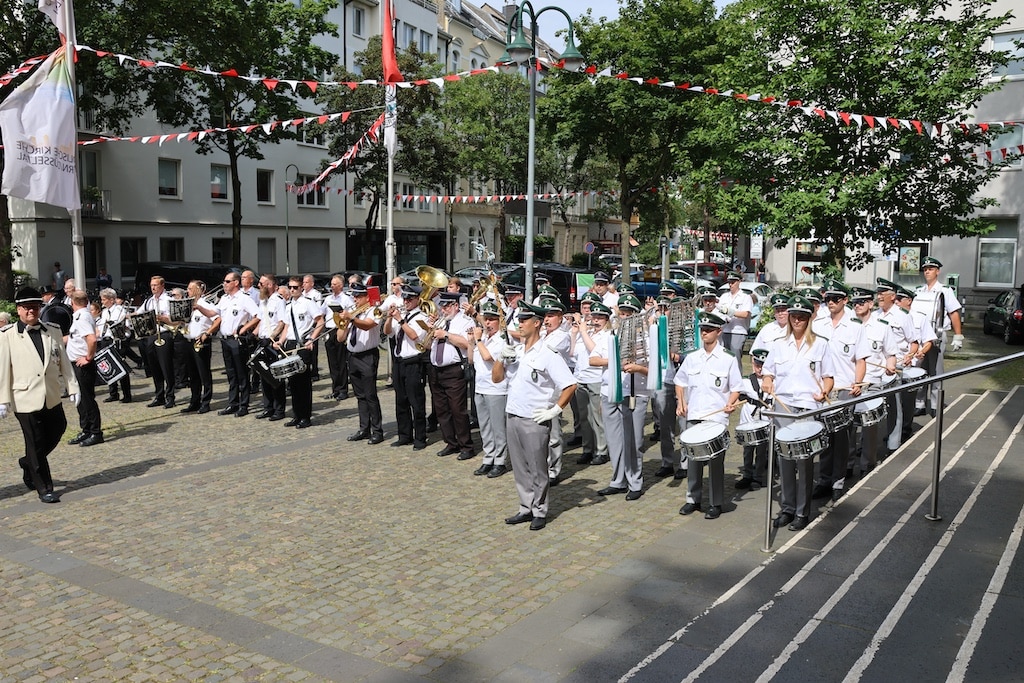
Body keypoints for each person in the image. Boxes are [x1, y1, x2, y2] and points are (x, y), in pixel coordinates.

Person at [493, 301, 577, 531]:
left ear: (537, 323)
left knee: (538, 468)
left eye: (524, 320)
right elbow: (497, 379)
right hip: (513, 415)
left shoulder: (548, 354)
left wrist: (555, 410)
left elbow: (569, 385)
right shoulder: (517, 351)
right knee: (520, 467)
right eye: (518, 320)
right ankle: (525, 506)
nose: (519, 324)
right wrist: (501, 358)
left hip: (535, 418)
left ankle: (540, 509)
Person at [761, 294, 835, 530]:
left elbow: (829, 378)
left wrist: (823, 391)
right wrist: (767, 381)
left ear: (809, 318)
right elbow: (768, 372)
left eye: (802, 317)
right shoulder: (778, 345)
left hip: (806, 407)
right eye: (794, 316)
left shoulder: (821, 344)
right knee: (785, 460)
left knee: (804, 461)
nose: (797, 321)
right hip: (783, 407)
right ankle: (787, 508)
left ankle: (802, 512)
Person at [0, 287, 80, 503]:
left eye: (35, 307)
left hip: (51, 394)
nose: (31, 312)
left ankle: (28, 462)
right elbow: (3, 369)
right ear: (18, 310)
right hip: (24, 397)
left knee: (58, 428)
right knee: (34, 440)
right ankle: (44, 487)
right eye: (27, 308)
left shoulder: (52, 330)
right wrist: (3, 400)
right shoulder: (7, 336)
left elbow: (63, 361)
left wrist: (73, 387)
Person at [675, 312, 741, 519]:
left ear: (719, 332)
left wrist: (730, 404)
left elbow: (736, 388)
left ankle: (715, 502)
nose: (704, 333)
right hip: (695, 415)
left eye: (709, 330)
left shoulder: (728, 359)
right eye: (702, 329)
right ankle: (692, 499)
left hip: (716, 419)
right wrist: (681, 401)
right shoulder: (693, 357)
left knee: (715, 463)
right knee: (693, 461)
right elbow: (680, 381)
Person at [597, 294, 651, 502]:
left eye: (629, 314)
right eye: (622, 313)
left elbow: (657, 371)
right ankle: (618, 479)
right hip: (614, 391)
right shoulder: (612, 336)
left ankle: (635, 481)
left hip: (636, 392)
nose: (625, 317)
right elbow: (595, 357)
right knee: (615, 439)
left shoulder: (646, 339)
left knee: (634, 440)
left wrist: (638, 368)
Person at [811, 278, 861, 501]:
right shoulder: (818, 324)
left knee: (841, 438)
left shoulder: (855, 326)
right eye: (828, 298)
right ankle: (823, 479)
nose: (830, 302)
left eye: (836, 298)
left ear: (845, 300)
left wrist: (858, 383)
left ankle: (838, 482)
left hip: (843, 387)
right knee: (823, 436)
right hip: (821, 389)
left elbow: (860, 359)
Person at [197, 271, 260, 416]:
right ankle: (233, 403)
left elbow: (257, 316)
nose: (224, 284)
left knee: (242, 373)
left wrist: (244, 328)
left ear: (235, 283)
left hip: (237, 340)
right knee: (231, 374)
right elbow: (213, 314)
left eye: (227, 281)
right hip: (225, 340)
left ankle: (243, 405)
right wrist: (199, 307)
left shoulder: (244, 299)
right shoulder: (224, 299)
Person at [850, 286, 897, 478]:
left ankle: (867, 463)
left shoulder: (882, 326)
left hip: (871, 382)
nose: (858, 306)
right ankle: (847, 463)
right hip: (849, 383)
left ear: (870, 304)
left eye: (862, 302)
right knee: (848, 427)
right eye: (855, 303)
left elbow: (891, 354)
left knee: (869, 426)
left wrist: (890, 366)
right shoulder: (847, 326)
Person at [910, 257, 963, 417]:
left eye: (931, 269)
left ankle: (935, 404)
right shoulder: (918, 291)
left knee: (936, 370)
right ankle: (919, 403)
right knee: (918, 369)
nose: (927, 271)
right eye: (925, 269)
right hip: (920, 336)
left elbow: (953, 312)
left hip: (937, 334)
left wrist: (958, 334)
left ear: (937, 271)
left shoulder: (945, 290)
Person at [873, 278, 922, 450]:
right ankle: (869, 444)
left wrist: (909, 355)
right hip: (878, 366)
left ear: (893, 296)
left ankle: (894, 442)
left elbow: (914, 342)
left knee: (896, 406)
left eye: (882, 293)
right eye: (878, 293)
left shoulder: (903, 316)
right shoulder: (874, 316)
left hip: (897, 366)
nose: (879, 296)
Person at [428, 291, 475, 459]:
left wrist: (446, 335)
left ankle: (466, 446)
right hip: (436, 369)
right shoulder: (441, 321)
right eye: (442, 306)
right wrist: (430, 329)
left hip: (454, 370)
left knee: (458, 410)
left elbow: (466, 343)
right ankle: (451, 442)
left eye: (446, 306)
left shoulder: (465, 321)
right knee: (442, 410)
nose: (443, 309)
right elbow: (427, 345)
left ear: (455, 306)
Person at [385, 284, 430, 449]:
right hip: (399, 362)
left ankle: (420, 438)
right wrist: (390, 317)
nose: (406, 302)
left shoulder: (422, 317)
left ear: (417, 299)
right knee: (401, 401)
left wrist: (400, 320)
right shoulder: (400, 315)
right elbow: (387, 332)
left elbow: (414, 336)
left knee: (416, 402)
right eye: (404, 298)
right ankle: (404, 435)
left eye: (409, 299)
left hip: (413, 362)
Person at [276, 276, 325, 428]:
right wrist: (281, 341)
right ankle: (297, 415)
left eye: (295, 287)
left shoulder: (308, 303)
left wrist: (312, 339)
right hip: (290, 345)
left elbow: (320, 321)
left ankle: (305, 417)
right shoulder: (289, 305)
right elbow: (286, 327)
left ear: (301, 288)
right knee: (292, 382)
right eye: (290, 287)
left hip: (303, 345)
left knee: (303, 383)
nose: (292, 290)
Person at [342, 282, 385, 444]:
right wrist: (344, 322)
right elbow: (340, 338)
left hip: (368, 356)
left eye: (358, 296)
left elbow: (367, 326)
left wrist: (351, 318)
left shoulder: (375, 310)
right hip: (353, 356)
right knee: (360, 396)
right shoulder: (355, 313)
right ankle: (364, 428)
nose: (355, 299)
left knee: (370, 395)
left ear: (367, 297)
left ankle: (377, 430)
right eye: (354, 296)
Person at [471, 301, 510, 477]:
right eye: (486, 320)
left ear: (499, 321)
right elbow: (472, 360)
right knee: (485, 426)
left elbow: (488, 357)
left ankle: (500, 460)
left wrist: (478, 340)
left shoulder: (502, 339)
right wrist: (472, 342)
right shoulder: (485, 339)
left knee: (498, 427)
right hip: (481, 386)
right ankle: (489, 457)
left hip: (496, 389)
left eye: (492, 320)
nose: (487, 323)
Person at [572, 301, 611, 468]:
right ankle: (587, 449)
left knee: (597, 417)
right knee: (584, 417)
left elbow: (595, 350)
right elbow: (573, 353)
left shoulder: (607, 335)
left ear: (606, 319)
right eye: (594, 317)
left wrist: (583, 332)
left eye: (600, 318)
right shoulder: (585, 332)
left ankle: (602, 450)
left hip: (596, 378)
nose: (595, 320)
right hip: (581, 377)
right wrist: (575, 334)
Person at [539, 296, 573, 485]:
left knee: (553, 434)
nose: (547, 320)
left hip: (554, 391)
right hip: (540, 389)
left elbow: (544, 353)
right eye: (545, 315)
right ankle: (542, 465)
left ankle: (554, 469)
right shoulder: (543, 334)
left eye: (551, 315)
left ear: (560, 317)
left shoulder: (562, 336)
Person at [65, 290, 104, 447]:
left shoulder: (82, 317)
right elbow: (75, 337)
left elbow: (92, 339)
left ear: (72, 303)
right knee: (80, 399)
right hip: (76, 363)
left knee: (87, 399)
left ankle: (96, 432)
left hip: (83, 365)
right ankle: (86, 430)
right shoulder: (80, 316)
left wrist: (88, 357)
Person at [137, 275, 176, 408]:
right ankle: (159, 395)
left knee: (166, 366)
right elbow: (139, 313)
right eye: (152, 285)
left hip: (165, 333)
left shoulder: (168, 299)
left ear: (162, 286)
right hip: (152, 334)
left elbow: (175, 318)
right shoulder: (149, 301)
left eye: (156, 285)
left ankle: (170, 396)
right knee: (154, 366)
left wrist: (164, 318)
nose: (153, 288)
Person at [180, 280, 216, 415]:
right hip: (188, 341)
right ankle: (194, 401)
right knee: (192, 374)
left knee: (203, 373)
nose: (187, 291)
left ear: (197, 290)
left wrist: (207, 333)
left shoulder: (205, 304)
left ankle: (206, 402)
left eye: (190, 288)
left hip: (200, 342)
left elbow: (217, 319)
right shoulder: (188, 304)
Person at [736, 348, 770, 490]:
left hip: (765, 417)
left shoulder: (772, 381)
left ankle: (758, 477)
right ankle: (747, 475)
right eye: (757, 365)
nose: (760, 368)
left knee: (762, 450)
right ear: (752, 362)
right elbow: (736, 392)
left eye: (763, 365)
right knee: (748, 448)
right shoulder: (746, 381)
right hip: (748, 417)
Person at [254, 273, 287, 421]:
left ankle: (279, 409)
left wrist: (271, 337)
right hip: (262, 341)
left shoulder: (278, 301)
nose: (259, 286)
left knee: (275, 377)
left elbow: (281, 323)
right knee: (264, 376)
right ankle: (268, 407)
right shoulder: (263, 301)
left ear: (269, 285)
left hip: (273, 343)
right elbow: (261, 320)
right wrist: (253, 334)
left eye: (261, 284)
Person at [323, 274, 355, 401]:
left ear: (341, 286)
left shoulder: (346, 299)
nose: (332, 286)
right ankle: (335, 389)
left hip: (341, 329)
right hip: (329, 330)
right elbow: (322, 313)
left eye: (335, 284)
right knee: (332, 363)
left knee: (341, 361)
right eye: (331, 284)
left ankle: (343, 390)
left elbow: (352, 313)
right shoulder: (328, 299)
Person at [98, 288, 132, 404]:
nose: (102, 302)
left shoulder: (120, 310)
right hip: (105, 340)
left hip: (116, 340)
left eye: (104, 299)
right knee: (108, 367)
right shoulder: (104, 312)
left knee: (121, 367)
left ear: (111, 300)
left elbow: (126, 327)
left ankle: (127, 394)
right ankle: (113, 393)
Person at [716, 271, 754, 369]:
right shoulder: (724, 297)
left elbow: (745, 314)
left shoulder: (745, 297)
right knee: (723, 360)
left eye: (733, 282)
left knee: (735, 359)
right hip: (725, 330)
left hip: (738, 331)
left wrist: (730, 312)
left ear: (739, 282)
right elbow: (719, 311)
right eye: (729, 282)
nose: (731, 284)